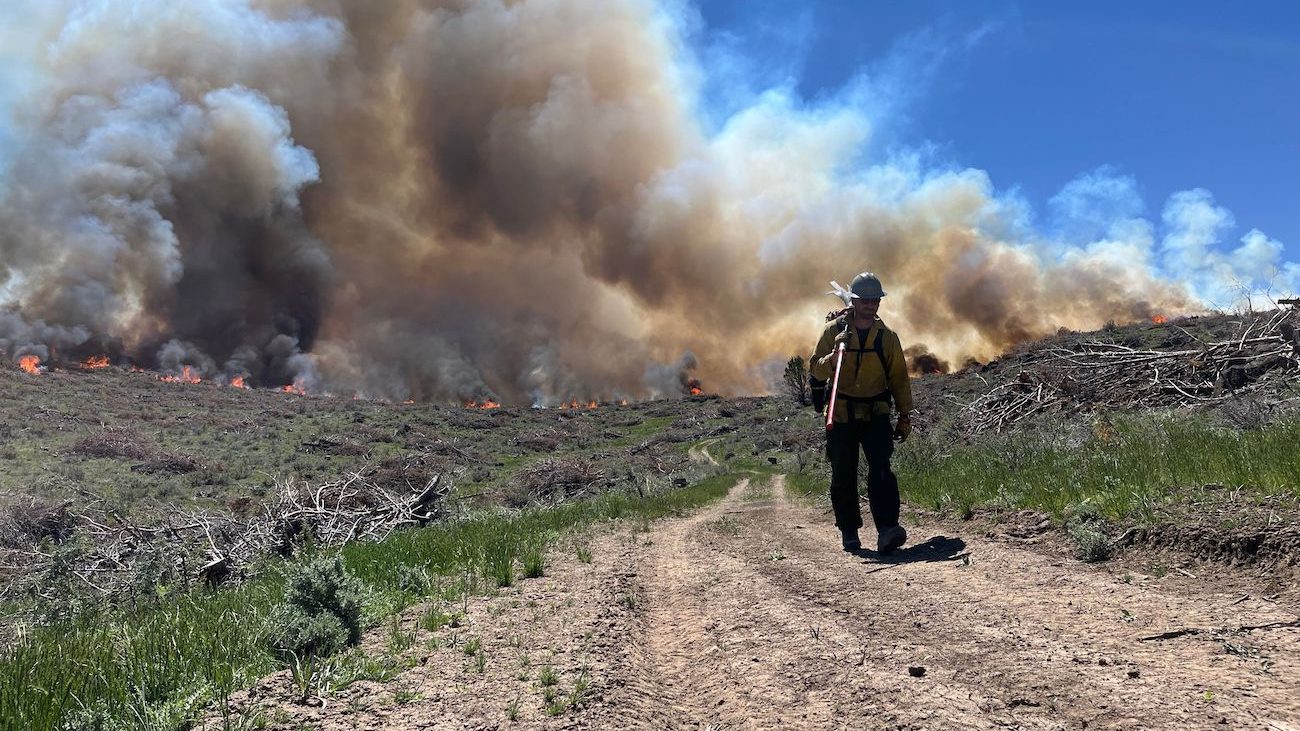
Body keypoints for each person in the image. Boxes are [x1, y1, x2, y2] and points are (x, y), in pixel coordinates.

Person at [809, 272, 913, 553]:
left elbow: (899, 378)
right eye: (865, 300)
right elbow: (815, 368)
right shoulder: (833, 332)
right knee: (843, 473)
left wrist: (904, 415)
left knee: (881, 471)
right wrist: (833, 357)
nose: (871, 305)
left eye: (875, 300)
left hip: (876, 413)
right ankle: (849, 531)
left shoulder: (887, 338)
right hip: (841, 414)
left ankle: (888, 529)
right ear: (854, 301)